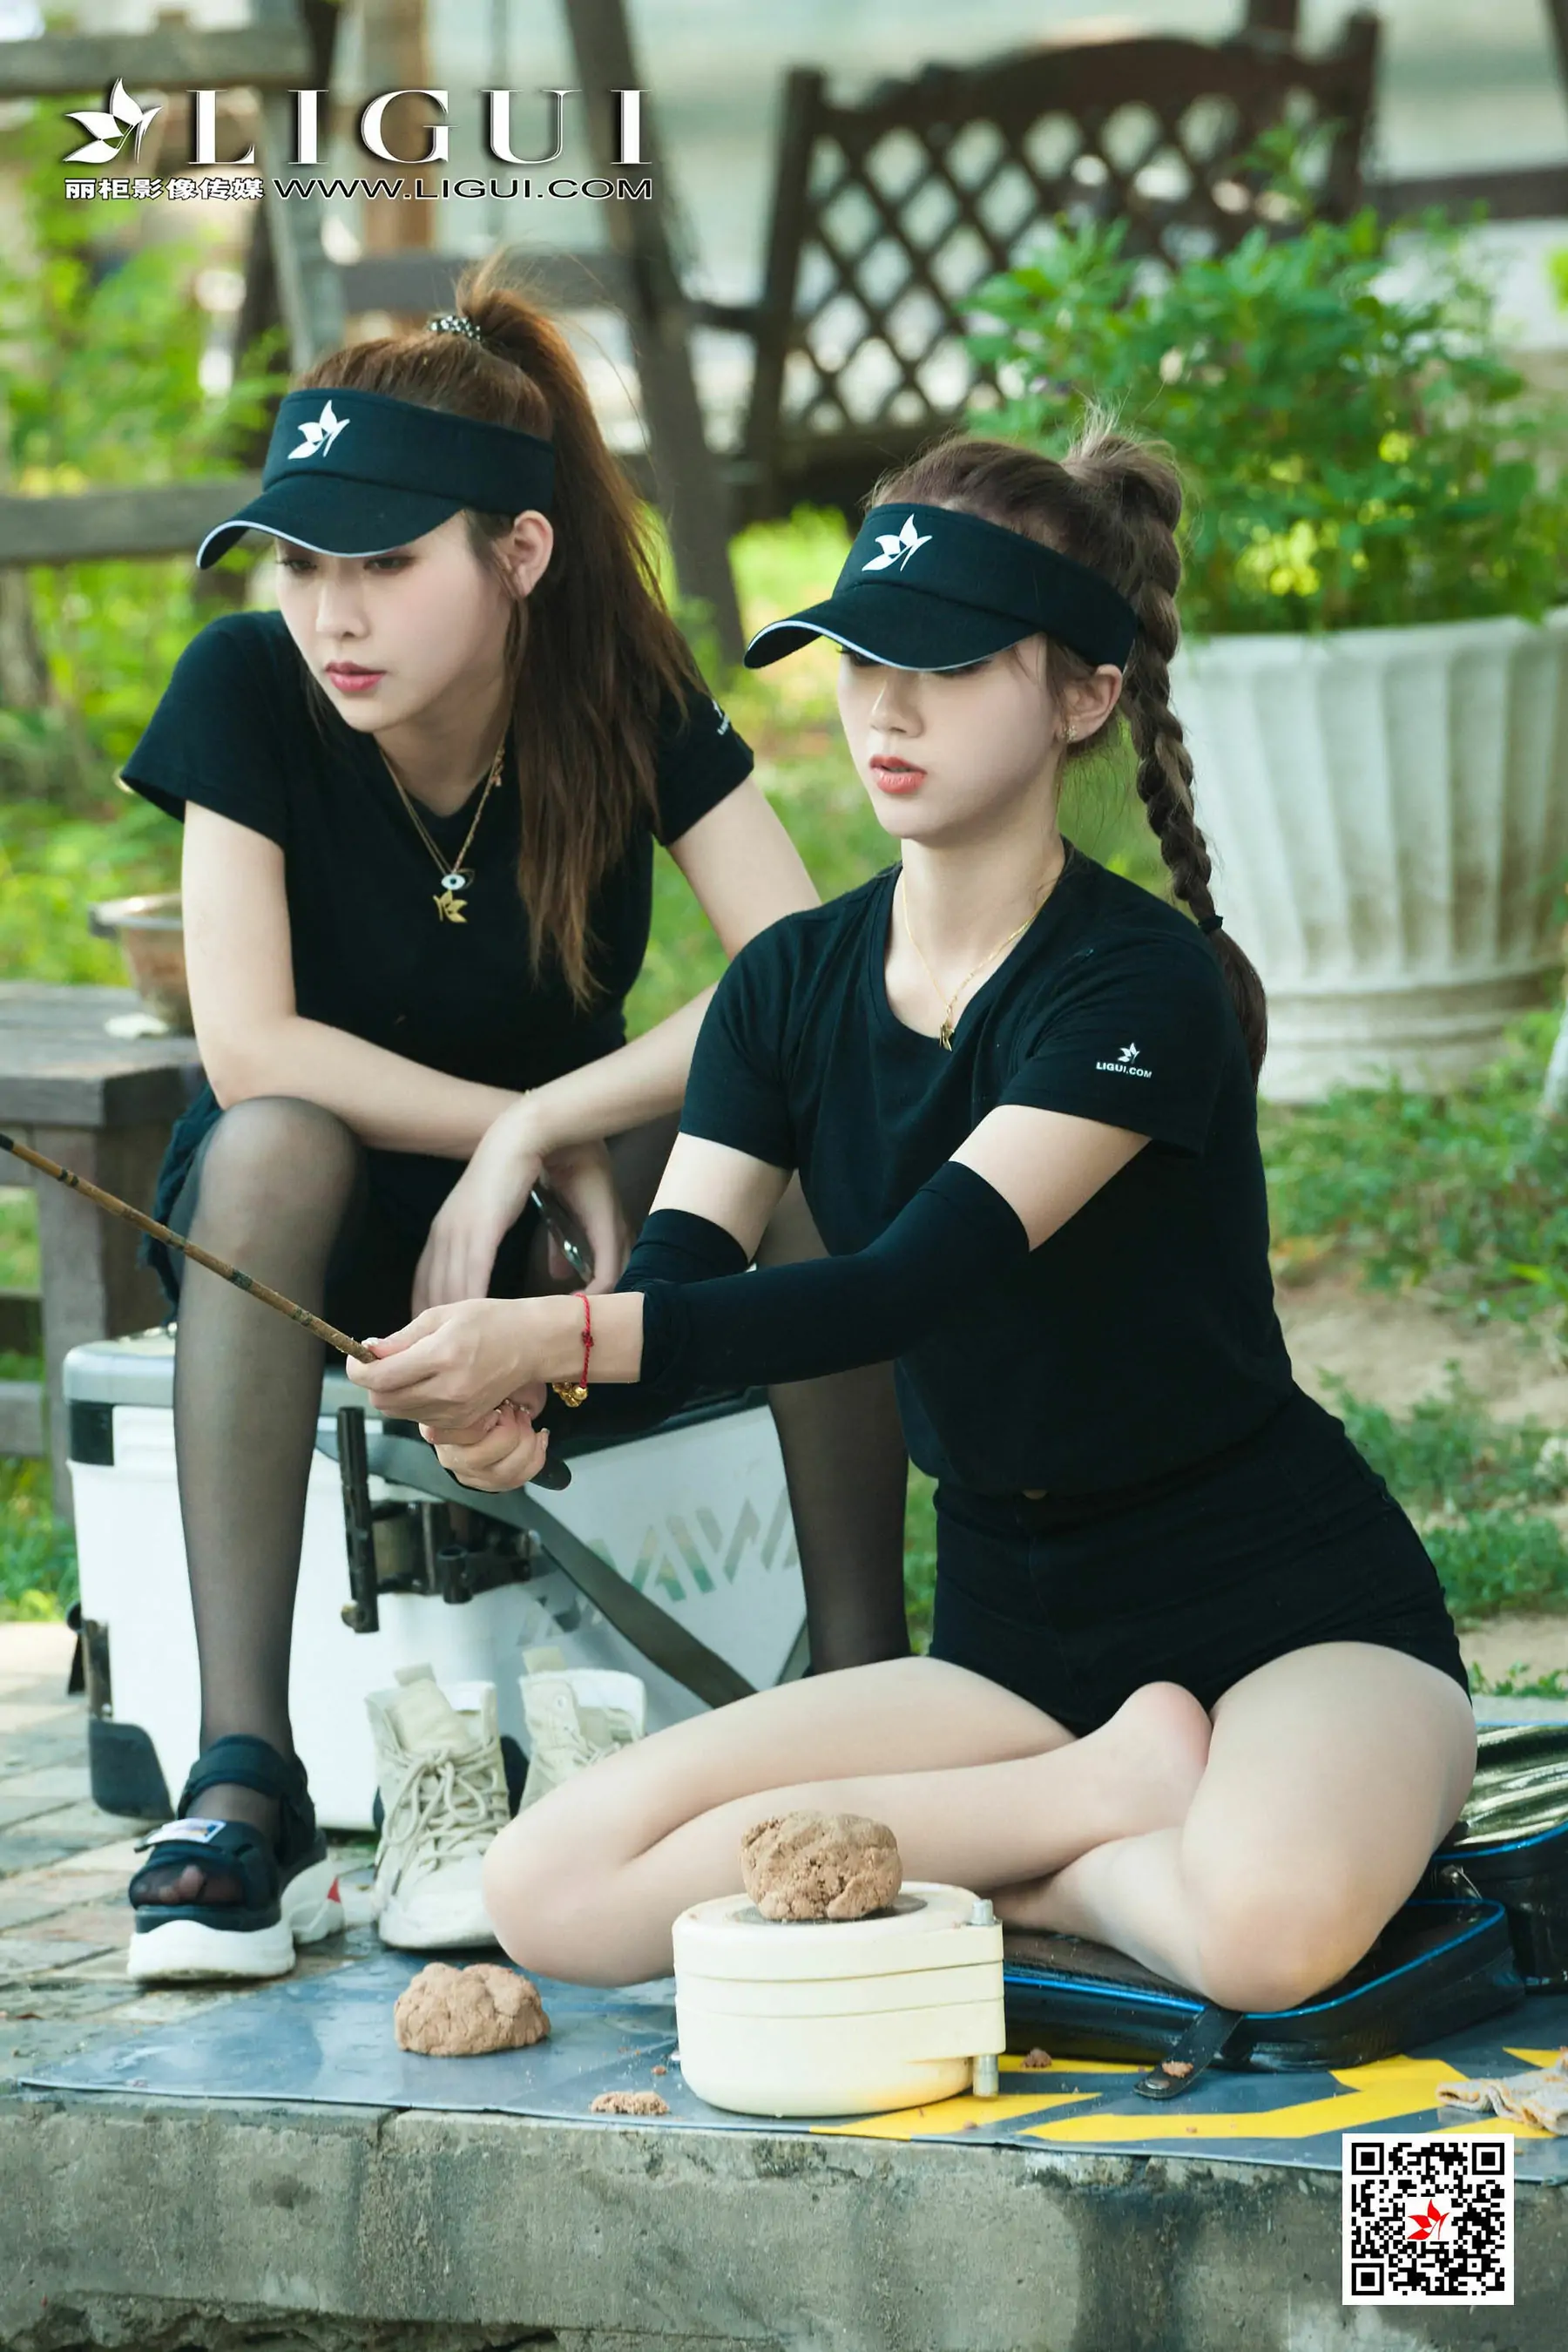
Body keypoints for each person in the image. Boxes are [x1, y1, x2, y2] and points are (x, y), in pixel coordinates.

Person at [348, 427, 1477, 2009]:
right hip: (1017, 1649)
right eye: (861, 657)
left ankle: (1031, 1864)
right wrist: (533, 1407)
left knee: (1264, 1940)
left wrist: (556, 1333)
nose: (885, 706)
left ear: (1084, 696)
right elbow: (682, 1293)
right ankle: (1101, 1811)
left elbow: (904, 1286)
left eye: (944, 665)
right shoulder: (788, 985)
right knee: (550, 1891)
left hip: (1288, 1613)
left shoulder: (1134, 985)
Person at [117, 260, 912, 1988]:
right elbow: (251, 1047)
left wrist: (550, 1130)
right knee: (272, 1140)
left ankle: (867, 1690)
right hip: (314, 1224)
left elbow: (800, 974)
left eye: (385, 564)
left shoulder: (616, 692)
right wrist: (515, 1126)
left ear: (519, 553)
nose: (332, 614)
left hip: (574, 1216)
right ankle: (243, 1777)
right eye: (301, 562)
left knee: (803, 1146)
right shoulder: (245, 688)